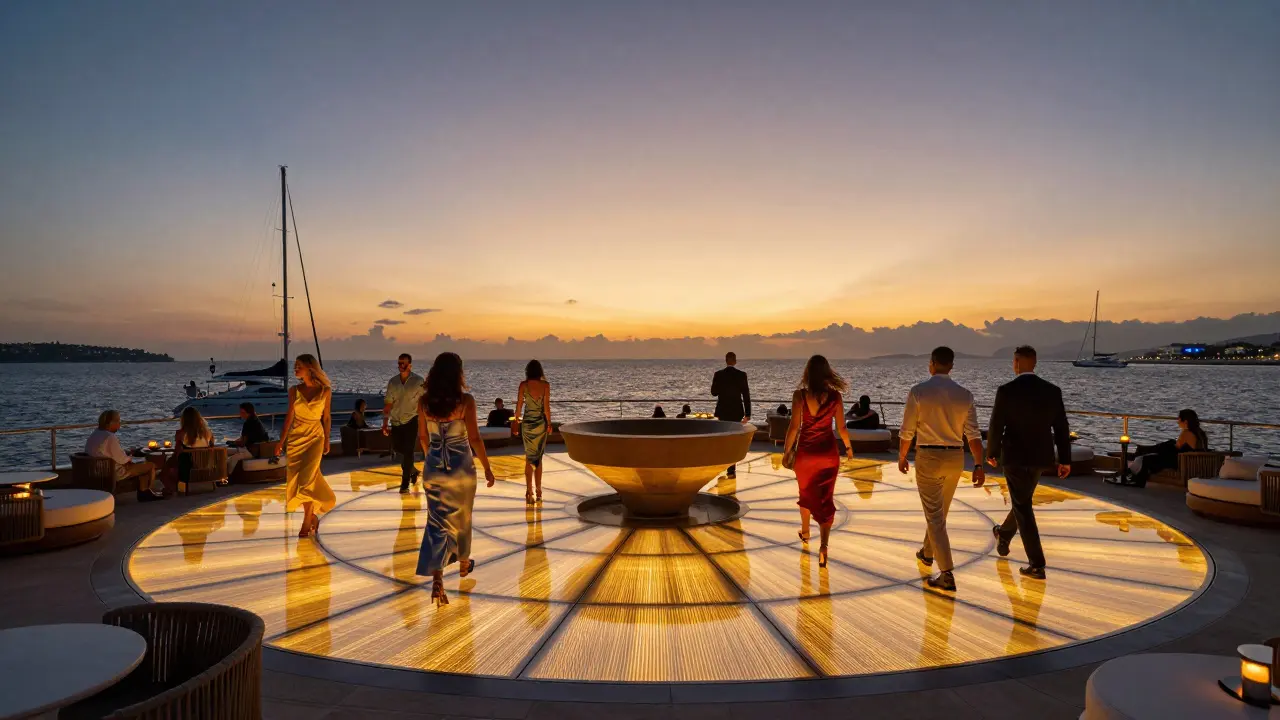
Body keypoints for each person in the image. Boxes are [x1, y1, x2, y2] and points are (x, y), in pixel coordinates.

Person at [898, 346, 986, 592]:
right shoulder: (964, 395)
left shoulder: (918, 392)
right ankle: (927, 553)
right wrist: (978, 464)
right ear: (952, 365)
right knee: (940, 511)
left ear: (932, 363)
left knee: (935, 515)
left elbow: (907, 431)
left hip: (929, 456)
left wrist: (902, 456)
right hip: (955, 457)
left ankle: (946, 573)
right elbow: (974, 435)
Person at [416, 352, 497, 607]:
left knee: (436, 522)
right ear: (458, 374)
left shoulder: (424, 402)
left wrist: (433, 460)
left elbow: (422, 438)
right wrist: (487, 467)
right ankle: (463, 563)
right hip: (461, 469)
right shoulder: (466, 402)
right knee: (462, 518)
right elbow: (475, 439)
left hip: (434, 469)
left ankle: (438, 576)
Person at [985, 345, 1072, 580]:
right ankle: (1003, 534)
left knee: (1023, 506)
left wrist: (991, 452)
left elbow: (996, 425)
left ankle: (1037, 563)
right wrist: (1065, 459)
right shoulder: (1052, 391)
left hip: (1013, 456)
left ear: (1016, 362)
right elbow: (1062, 428)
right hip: (1040, 457)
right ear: (1034, 363)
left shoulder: (1006, 391)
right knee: (1022, 501)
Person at [784, 355, 855, 568]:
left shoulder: (800, 396)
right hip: (827, 454)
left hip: (806, 454)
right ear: (827, 373)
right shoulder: (835, 397)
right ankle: (824, 546)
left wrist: (787, 451)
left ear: (808, 373)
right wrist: (849, 447)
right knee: (826, 498)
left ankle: (805, 532)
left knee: (805, 494)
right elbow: (841, 428)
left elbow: (794, 427)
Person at [276, 354, 336, 538]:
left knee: (306, 479)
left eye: (298, 366)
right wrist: (281, 442)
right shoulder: (294, 390)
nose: (295, 369)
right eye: (295, 366)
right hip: (296, 440)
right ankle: (311, 517)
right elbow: (289, 418)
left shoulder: (325, 390)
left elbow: (326, 417)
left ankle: (307, 519)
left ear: (310, 368)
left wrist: (327, 440)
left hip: (315, 438)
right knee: (299, 482)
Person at [1116, 409, 1209, 488]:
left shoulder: (1186, 433)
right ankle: (1142, 452)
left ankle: (1138, 478)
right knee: (1164, 446)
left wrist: (1170, 444)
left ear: (1185, 422)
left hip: (1177, 461)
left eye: (1179, 419)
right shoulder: (1201, 434)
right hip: (1186, 460)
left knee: (1148, 456)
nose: (1178, 422)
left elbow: (1176, 448)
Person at [85, 409, 162, 502]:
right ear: (110, 423)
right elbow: (122, 460)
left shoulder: (95, 434)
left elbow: (108, 452)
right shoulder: (110, 437)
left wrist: (127, 453)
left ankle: (144, 492)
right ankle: (146, 492)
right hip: (112, 472)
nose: (119, 424)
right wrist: (130, 457)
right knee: (150, 466)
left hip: (96, 471)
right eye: (118, 421)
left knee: (140, 465)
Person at [382, 353, 425, 494]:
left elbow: (424, 401)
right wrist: (385, 423)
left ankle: (404, 483)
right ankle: (412, 470)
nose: (400, 366)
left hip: (411, 420)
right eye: (399, 363)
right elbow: (388, 404)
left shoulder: (418, 381)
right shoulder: (393, 382)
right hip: (396, 421)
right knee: (398, 449)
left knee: (408, 451)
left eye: (403, 364)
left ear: (410, 365)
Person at [515, 360, 551, 504]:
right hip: (540, 424)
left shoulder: (523, 385)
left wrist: (516, 420)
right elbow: (546, 408)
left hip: (528, 425)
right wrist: (549, 423)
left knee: (529, 458)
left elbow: (519, 405)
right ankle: (539, 490)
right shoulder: (545, 386)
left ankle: (529, 491)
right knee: (538, 458)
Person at [711, 351, 751, 478]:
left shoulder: (718, 375)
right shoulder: (741, 375)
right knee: (733, 439)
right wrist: (748, 413)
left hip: (722, 410)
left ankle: (723, 463)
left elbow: (713, 392)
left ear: (726, 361)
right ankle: (731, 469)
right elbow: (746, 395)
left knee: (723, 438)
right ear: (735, 361)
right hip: (736, 411)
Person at [173, 406, 219, 486]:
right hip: (205, 465)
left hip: (188, 468)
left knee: (168, 465)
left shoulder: (181, 433)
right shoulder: (208, 432)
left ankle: (172, 489)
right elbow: (212, 447)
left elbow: (177, 451)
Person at [227, 402, 271, 475]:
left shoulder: (247, 424)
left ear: (247, 412)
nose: (240, 414)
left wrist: (233, 443)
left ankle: (228, 477)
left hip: (251, 451)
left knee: (231, 458)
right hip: (256, 449)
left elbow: (242, 443)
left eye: (241, 412)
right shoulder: (256, 421)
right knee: (227, 452)